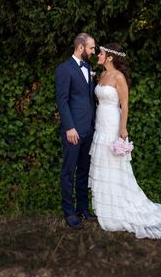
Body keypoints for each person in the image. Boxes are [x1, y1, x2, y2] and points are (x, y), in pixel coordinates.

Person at [88, 43, 161, 238]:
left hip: (112, 123)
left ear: (110, 57)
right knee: (103, 162)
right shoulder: (101, 76)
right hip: (100, 124)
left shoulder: (118, 77)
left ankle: (122, 206)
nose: (98, 55)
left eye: (101, 53)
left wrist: (123, 128)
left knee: (115, 164)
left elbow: (125, 104)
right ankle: (107, 209)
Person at [55, 32, 98, 229]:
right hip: (73, 130)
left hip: (88, 129)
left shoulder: (89, 68)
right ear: (81, 47)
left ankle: (82, 208)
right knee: (68, 172)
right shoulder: (64, 69)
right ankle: (69, 212)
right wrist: (69, 127)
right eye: (91, 48)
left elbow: (88, 100)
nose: (93, 51)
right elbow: (62, 100)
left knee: (84, 171)